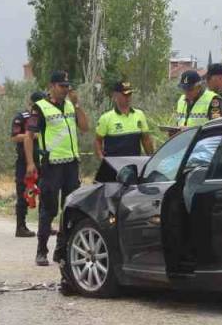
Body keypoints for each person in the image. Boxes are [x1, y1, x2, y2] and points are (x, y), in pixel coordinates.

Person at [24, 71, 89, 267]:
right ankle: (41, 250)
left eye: (67, 86)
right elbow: (29, 136)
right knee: (49, 209)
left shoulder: (70, 105)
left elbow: (85, 127)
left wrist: (77, 105)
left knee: (70, 209)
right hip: (52, 164)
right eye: (62, 86)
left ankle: (61, 250)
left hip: (71, 163)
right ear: (51, 86)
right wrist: (30, 163)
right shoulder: (39, 108)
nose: (65, 89)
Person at [11, 90, 46, 238]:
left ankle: (45, 226)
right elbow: (14, 137)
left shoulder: (45, 117)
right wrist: (31, 135)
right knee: (23, 193)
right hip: (24, 161)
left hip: (43, 160)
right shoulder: (21, 117)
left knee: (45, 193)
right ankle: (21, 227)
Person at [95, 81, 154, 160]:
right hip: (113, 164)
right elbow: (98, 141)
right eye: (125, 95)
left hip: (134, 163)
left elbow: (146, 139)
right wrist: (101, 158)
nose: (128, 98)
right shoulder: (106, 118)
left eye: (130, 94)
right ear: (115, 95)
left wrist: (151, 159)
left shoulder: (139, 115)